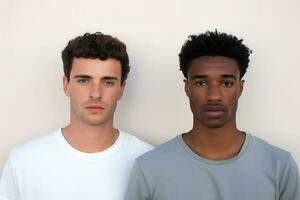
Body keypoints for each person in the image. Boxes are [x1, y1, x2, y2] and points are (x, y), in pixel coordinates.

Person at [125, 30, 300, 200]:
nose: (214, 95)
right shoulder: (149, 168)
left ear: (240, 87)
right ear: (187, 88)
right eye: (201, 83)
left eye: (226, 83)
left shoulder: (279, 166)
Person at [0, 32, 152, 200]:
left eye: (108, 82)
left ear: (121, 88)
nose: (96, 93)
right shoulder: (23, 162)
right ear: (66, 85)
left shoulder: (149, 161)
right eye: (83, 81)